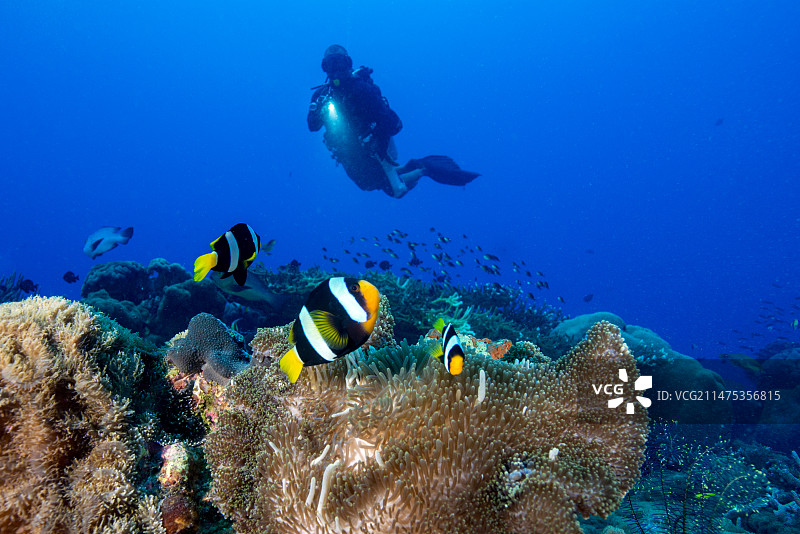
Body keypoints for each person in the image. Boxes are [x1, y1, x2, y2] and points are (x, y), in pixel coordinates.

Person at [308, 45, 479, 198]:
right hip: (351, 151)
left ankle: (424, 168)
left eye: (339, 62)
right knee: (368, 185)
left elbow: (391, 122)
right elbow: (312, 126)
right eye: (331, 64)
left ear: (348, 63)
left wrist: (379, 143)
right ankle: (416, 167)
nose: (336, 69)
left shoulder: (361, 88)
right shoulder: (322, 96)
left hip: (378, 145)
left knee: (394, 190)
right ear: (325, 68)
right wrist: (319, 109)